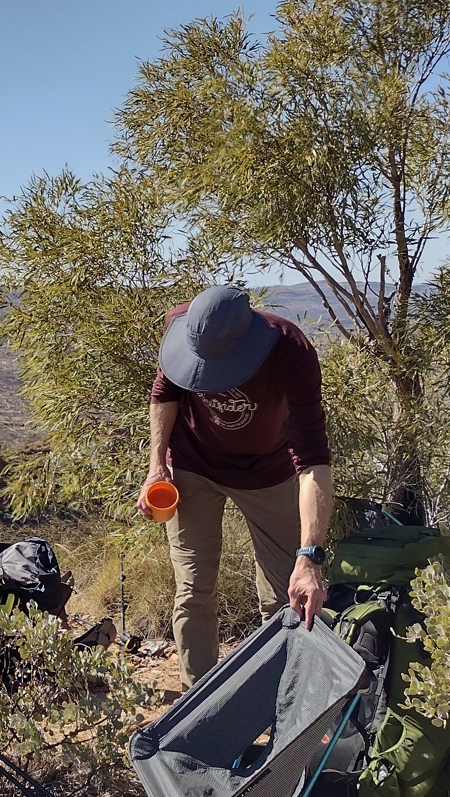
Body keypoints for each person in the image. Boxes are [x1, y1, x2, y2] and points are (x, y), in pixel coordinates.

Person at [138, 285, 333, 688]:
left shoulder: (289, 349)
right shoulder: (180, 325)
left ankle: (271, 701)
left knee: (285, 594)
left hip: (269, 471)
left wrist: (310, 558)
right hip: (192, 464)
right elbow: (165, 392)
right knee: (193, 590)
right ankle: (200, 707)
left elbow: (313, 457)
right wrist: (157, 466)